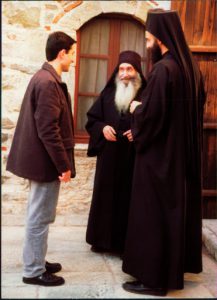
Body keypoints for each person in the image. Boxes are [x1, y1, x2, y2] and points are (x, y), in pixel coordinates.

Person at [122, 9, 206, 296]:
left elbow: (153, 117)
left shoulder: (163, 70)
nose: (146, 44)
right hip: (180, 159)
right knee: (170, 216)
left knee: (151, 216)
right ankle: (169, 271)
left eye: (148, 38)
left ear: (159, 38)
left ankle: (153, 280)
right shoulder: (190, 68)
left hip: (159, 161)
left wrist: (137, 109)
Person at [6, 31, 76, 286]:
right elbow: (48, 130)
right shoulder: (48, 82)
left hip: (40, 162)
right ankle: (33, 270)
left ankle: (36, 258)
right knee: (40, 216)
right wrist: (63, 166)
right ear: (62, 54)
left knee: (39, 214)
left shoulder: (44, 77)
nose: (73, 60)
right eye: (72, 54)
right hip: (45, 164)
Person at [85, 51, 147, 255]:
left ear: (137, 72)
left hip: (133, 158)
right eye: (121, 69)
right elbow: (92, 120)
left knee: (128, 200)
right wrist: (102, 128)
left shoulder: (146, 94)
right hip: (109, 157)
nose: (124, 73)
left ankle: (124, 244)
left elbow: (155, 123)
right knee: (106, 197)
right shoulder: (108, 93)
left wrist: (138, 132)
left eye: (129, 69)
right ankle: (101, 240)